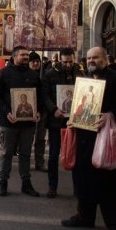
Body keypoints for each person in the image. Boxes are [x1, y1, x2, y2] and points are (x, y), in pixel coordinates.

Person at [61, 46, 116, 230]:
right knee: (84, 179)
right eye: (89, 58)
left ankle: (115, 225)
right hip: (85, 138)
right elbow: (80, 106)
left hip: (107, 138)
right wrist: (73, 119)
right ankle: (85, 216)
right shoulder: (83, 81)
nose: (92, 61)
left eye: (96, 57)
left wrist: (111, 115)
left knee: (109, 182)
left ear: (105, 59)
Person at [0, 46, 42, 197]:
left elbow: (39, 96)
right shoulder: (3, 74)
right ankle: (2, 183)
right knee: (7, 153)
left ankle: (26, 184)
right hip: (9, 122)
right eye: (23, 55)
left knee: (25, 154)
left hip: (28, 123)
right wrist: (6, 112)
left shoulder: (33, 75)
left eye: (27, 55)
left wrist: (38, 111)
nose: (26, 57)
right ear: (14, 57)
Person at [41, 47, 81, 198]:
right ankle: (52, 186)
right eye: (65, 62)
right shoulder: (50, 74)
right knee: (53, 155)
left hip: (74, 121)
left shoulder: (80, 73)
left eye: (70, 61)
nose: (68, 65)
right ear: (60, 60)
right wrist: (54, 110)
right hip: (56, 122)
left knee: (76, 156)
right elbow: (44, 96)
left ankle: (78, 188)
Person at [29, 51, 46, 172]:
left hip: (42, 112)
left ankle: (39, 162)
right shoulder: (25, 75)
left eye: (37, 61)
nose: (36, 63)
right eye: (33, 61)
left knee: (40, 138)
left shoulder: (45, 75)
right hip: (28, 111)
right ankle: (24, 161)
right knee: (27, 138)